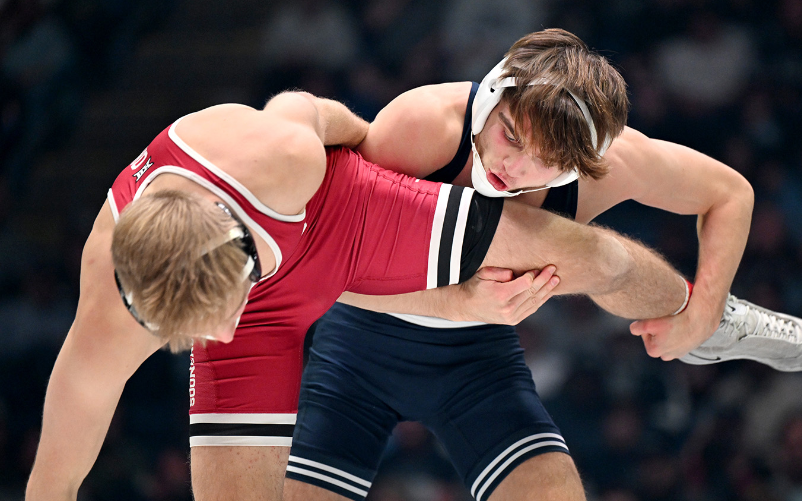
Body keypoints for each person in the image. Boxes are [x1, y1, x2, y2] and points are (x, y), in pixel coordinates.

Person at [25, 88, 697, 500]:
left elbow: (333, 125)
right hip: (280, 261)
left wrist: (387, 167)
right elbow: (50, 486)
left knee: (588, 252)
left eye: (222, 310)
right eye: (203, 330)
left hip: (340, 209)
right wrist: (453, 302)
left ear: (239, 245)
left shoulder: (276, 154)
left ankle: (702, 312)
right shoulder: (107, 319)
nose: (223, 333)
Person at [284, 29, 802, 501]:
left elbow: (730, 193)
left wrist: (706, 306)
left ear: (578, 163)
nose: (512, 166)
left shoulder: (608, 164)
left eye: (545, 162)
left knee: (610, 258)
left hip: (474, 362)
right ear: (493, 97)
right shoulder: (424, 125)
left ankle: (711, 317)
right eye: (511, 135)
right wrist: (454, 301)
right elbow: (323, 263)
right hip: (356, 351)